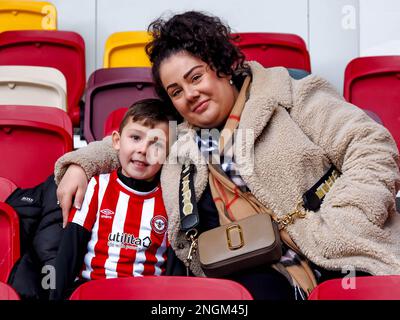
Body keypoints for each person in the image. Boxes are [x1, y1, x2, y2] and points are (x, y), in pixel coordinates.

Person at [55, 11, 400, 300]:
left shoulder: (289, 93)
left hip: (345, 252)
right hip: (257, 273)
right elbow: (127, 145)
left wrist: (342, 221)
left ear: (220, 65)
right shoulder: (178, 138)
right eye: (176, 91)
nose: (190, 94)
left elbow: (371, 145)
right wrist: (79, 164)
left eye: (196, 77)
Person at [50, 99, 176, 300]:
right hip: (93, 291)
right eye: (135, 137)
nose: (143, 150)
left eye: (156, 144)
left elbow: (173, 270)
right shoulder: (96, 187)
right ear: (117, 140)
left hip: (147, 295)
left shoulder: (170, 198)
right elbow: (69, 253)